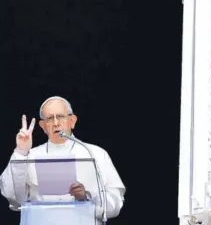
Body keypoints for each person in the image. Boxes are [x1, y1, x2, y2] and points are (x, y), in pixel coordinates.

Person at [0, 96, 125, 224]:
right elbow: (13, 198)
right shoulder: (30, 156)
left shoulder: (95, 153)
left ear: (72, 121)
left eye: (60, 116)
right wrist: (21, 151)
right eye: (49, 118)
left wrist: (86, 197)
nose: (55, 123)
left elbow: (115, 203)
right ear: (43, 126)